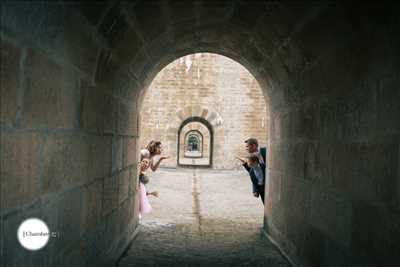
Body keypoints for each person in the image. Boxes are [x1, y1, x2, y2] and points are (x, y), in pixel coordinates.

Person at [236, 138, 268, 204]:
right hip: (261, 188)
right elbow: (254, 174)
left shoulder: (266, 151)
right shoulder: (252, 157)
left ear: (253, 146)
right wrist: (255, 190)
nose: (246, 148)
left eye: (247, 146)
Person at [138, 149, 158, 217]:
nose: (144, 163)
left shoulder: (143, 173)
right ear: (140, 162)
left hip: (142, 194)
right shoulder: (139, 171)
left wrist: (150, 193)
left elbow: (144, 186)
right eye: (143, 161)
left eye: (146, 163)